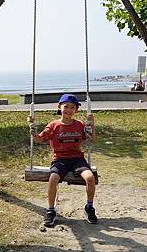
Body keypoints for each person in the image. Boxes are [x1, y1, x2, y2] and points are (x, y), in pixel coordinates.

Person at [27, 93, 98, 227]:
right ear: (59, 107)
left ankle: (89, 207)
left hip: (77, 159)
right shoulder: (53, 125)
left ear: (76, 110)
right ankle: (51, 210)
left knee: (90, 178)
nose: (68, 110)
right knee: (53, 178)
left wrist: (92, 123)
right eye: (66, 106)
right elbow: (38, 139)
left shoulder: (80, 125)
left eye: (72, 107)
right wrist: (32, 127)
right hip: (60, 159)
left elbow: (92, 139)